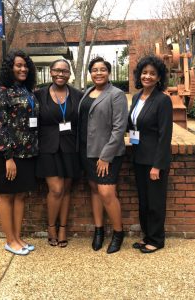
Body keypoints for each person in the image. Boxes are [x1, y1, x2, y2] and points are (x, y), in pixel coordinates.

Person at [0, 49, 39, 255]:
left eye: (25, 66)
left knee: (20, 195)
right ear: (9, 68)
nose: (23, 69)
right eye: (18, 65)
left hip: (27, 152)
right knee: (6, 195)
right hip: (7, 153)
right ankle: (10, 240)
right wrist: (8, 158)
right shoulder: (2, 91)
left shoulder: (26, 91)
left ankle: (18, 237)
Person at [78, 56, 128, 254]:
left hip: (108, 153)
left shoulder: (116, 94)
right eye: (94, 70)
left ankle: (118, 232)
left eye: (102, 69)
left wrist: (106, 156)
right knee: (94, 189)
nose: (98, 73)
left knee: (107, 192)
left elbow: (119, 128)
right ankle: (99, 230)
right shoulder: (87, 93)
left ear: (108, 73)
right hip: (86, 151)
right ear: (90, 73)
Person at [35, 59, 83, 248]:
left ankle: (63, 228)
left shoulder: (78, 95)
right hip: (47, 148)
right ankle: (51, 227)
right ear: (51, 72)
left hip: (71, 148)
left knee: (66, 190)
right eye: (57, 70)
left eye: (64, 71)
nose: (60, 74)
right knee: (56, 189)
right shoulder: (39, 95)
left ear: (69, 73)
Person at [128, 55, 173, 253]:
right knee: (144, 200)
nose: (147, 76)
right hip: (139, 157)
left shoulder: (163, 100)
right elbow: (132, 125)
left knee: (155, 201)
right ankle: (147, 235)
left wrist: (158, 165)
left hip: (154, 160)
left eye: (152, 74)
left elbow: (165, 136)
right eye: (144, 73)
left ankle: (156, 240)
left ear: (158, 77)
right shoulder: (137, 97)